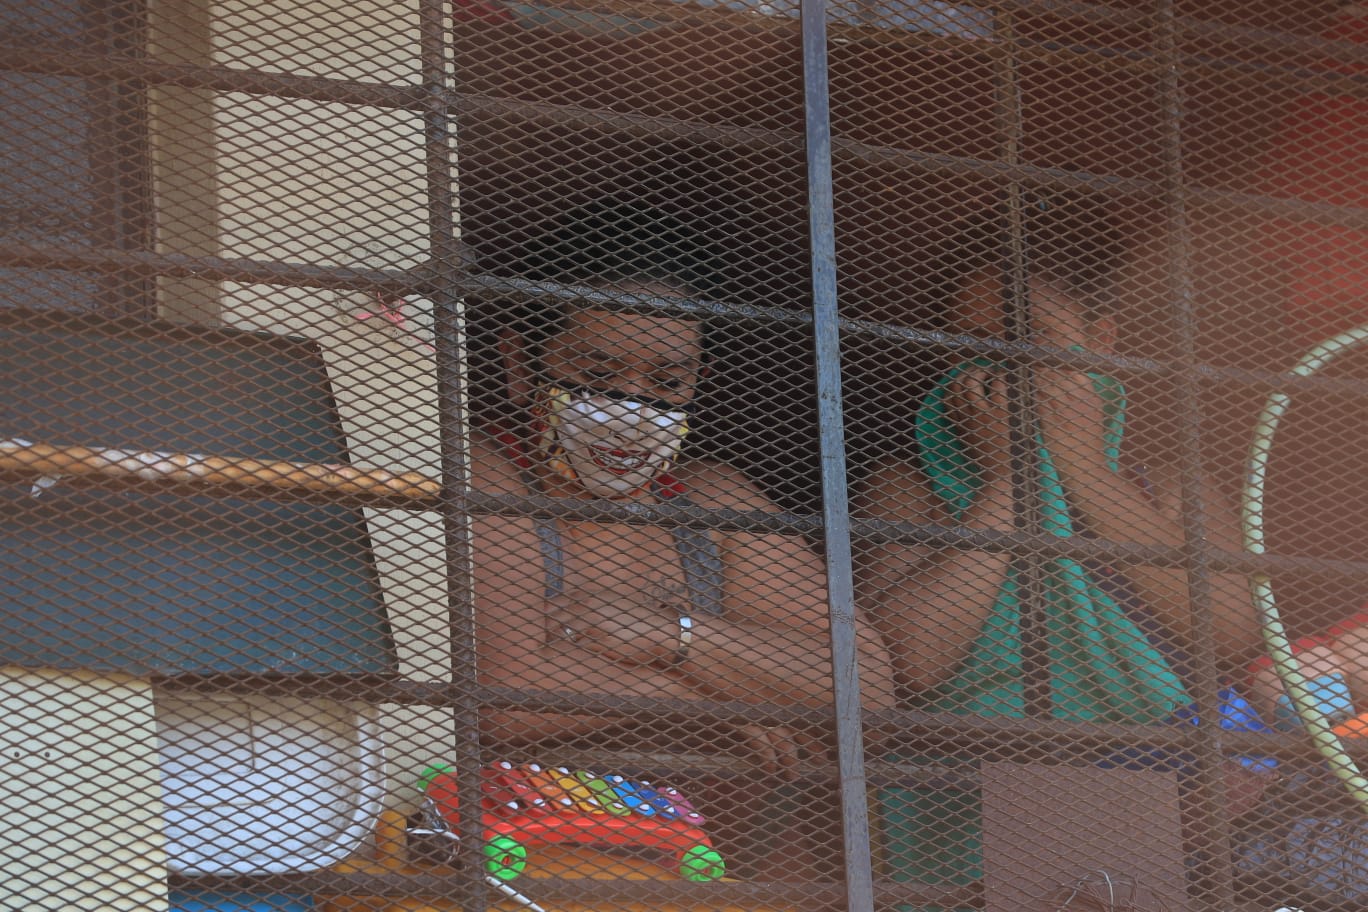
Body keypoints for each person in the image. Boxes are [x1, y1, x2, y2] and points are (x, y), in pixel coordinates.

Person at [467, 202, 896, 873]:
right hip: (523, 867)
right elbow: (508, 695)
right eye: (599, 376)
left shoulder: (710, 503)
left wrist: (673, 637)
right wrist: (730, 691)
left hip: (697, 872)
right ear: (522, 362)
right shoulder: (487, 473)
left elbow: (865, 686)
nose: (634, 412)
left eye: (666, 383)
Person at [851, 195, 1263, 893]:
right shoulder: (908, 489)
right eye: (976, 346)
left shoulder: (1170, 488)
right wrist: (1012, 478)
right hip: (969, 805)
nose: (1004, 366)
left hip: (1158, 804)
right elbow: (910, 661)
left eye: (1032, 338)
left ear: (1099, 342)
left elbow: (1227, 632)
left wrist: (1080, 466)